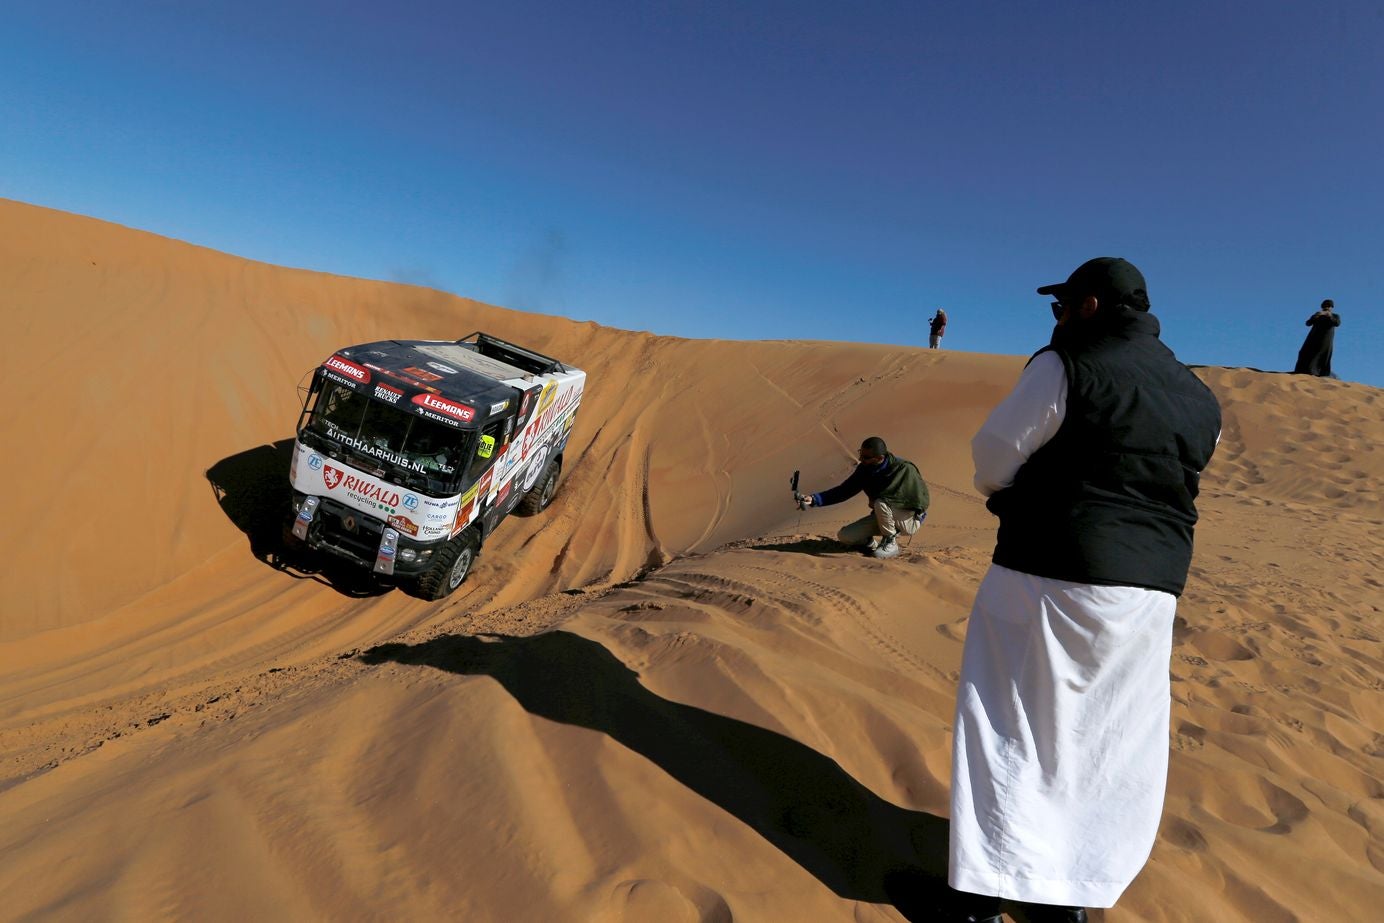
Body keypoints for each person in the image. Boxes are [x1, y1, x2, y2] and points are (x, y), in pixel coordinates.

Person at [946, 258, 1221, 923]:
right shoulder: (1196, 393)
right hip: (1150, 593)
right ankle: (1065, 897)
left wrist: (1019, 492)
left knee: (1008, 724)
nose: (1057, 317)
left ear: (1090, 307)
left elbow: (992, 456)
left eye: (1062, 306)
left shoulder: (1066, 363)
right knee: (1106, 739)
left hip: (1050, 569)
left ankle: (979, 901)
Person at [797, 437, 930, 559]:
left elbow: (921, 499)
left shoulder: (903, 469)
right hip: (883, 515)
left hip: (908, 519)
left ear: (879, 458)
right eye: (861, 454)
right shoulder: (865, 469)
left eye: (866, 457)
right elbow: (844, 491)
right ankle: (868, 543)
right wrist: (814, 499)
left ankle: (890, 542)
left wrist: (882, 501)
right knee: (845, 536)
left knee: (881, 502)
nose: (861, 459)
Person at [1293, 299, 1341, 377]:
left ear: (1331, 307)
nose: (1327, 308)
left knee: (1321, 355)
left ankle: (1319, 373)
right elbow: (1308, 323)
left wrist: (1330, 316)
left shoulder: (1335, 316)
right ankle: (1303, 371)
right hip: (1313, 338)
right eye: (1325, 306)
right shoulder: (1318, 315)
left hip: (1325, 340)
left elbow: (1337, 323)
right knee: (1304, 352)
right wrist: (1315, 316)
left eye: (1329, 306)